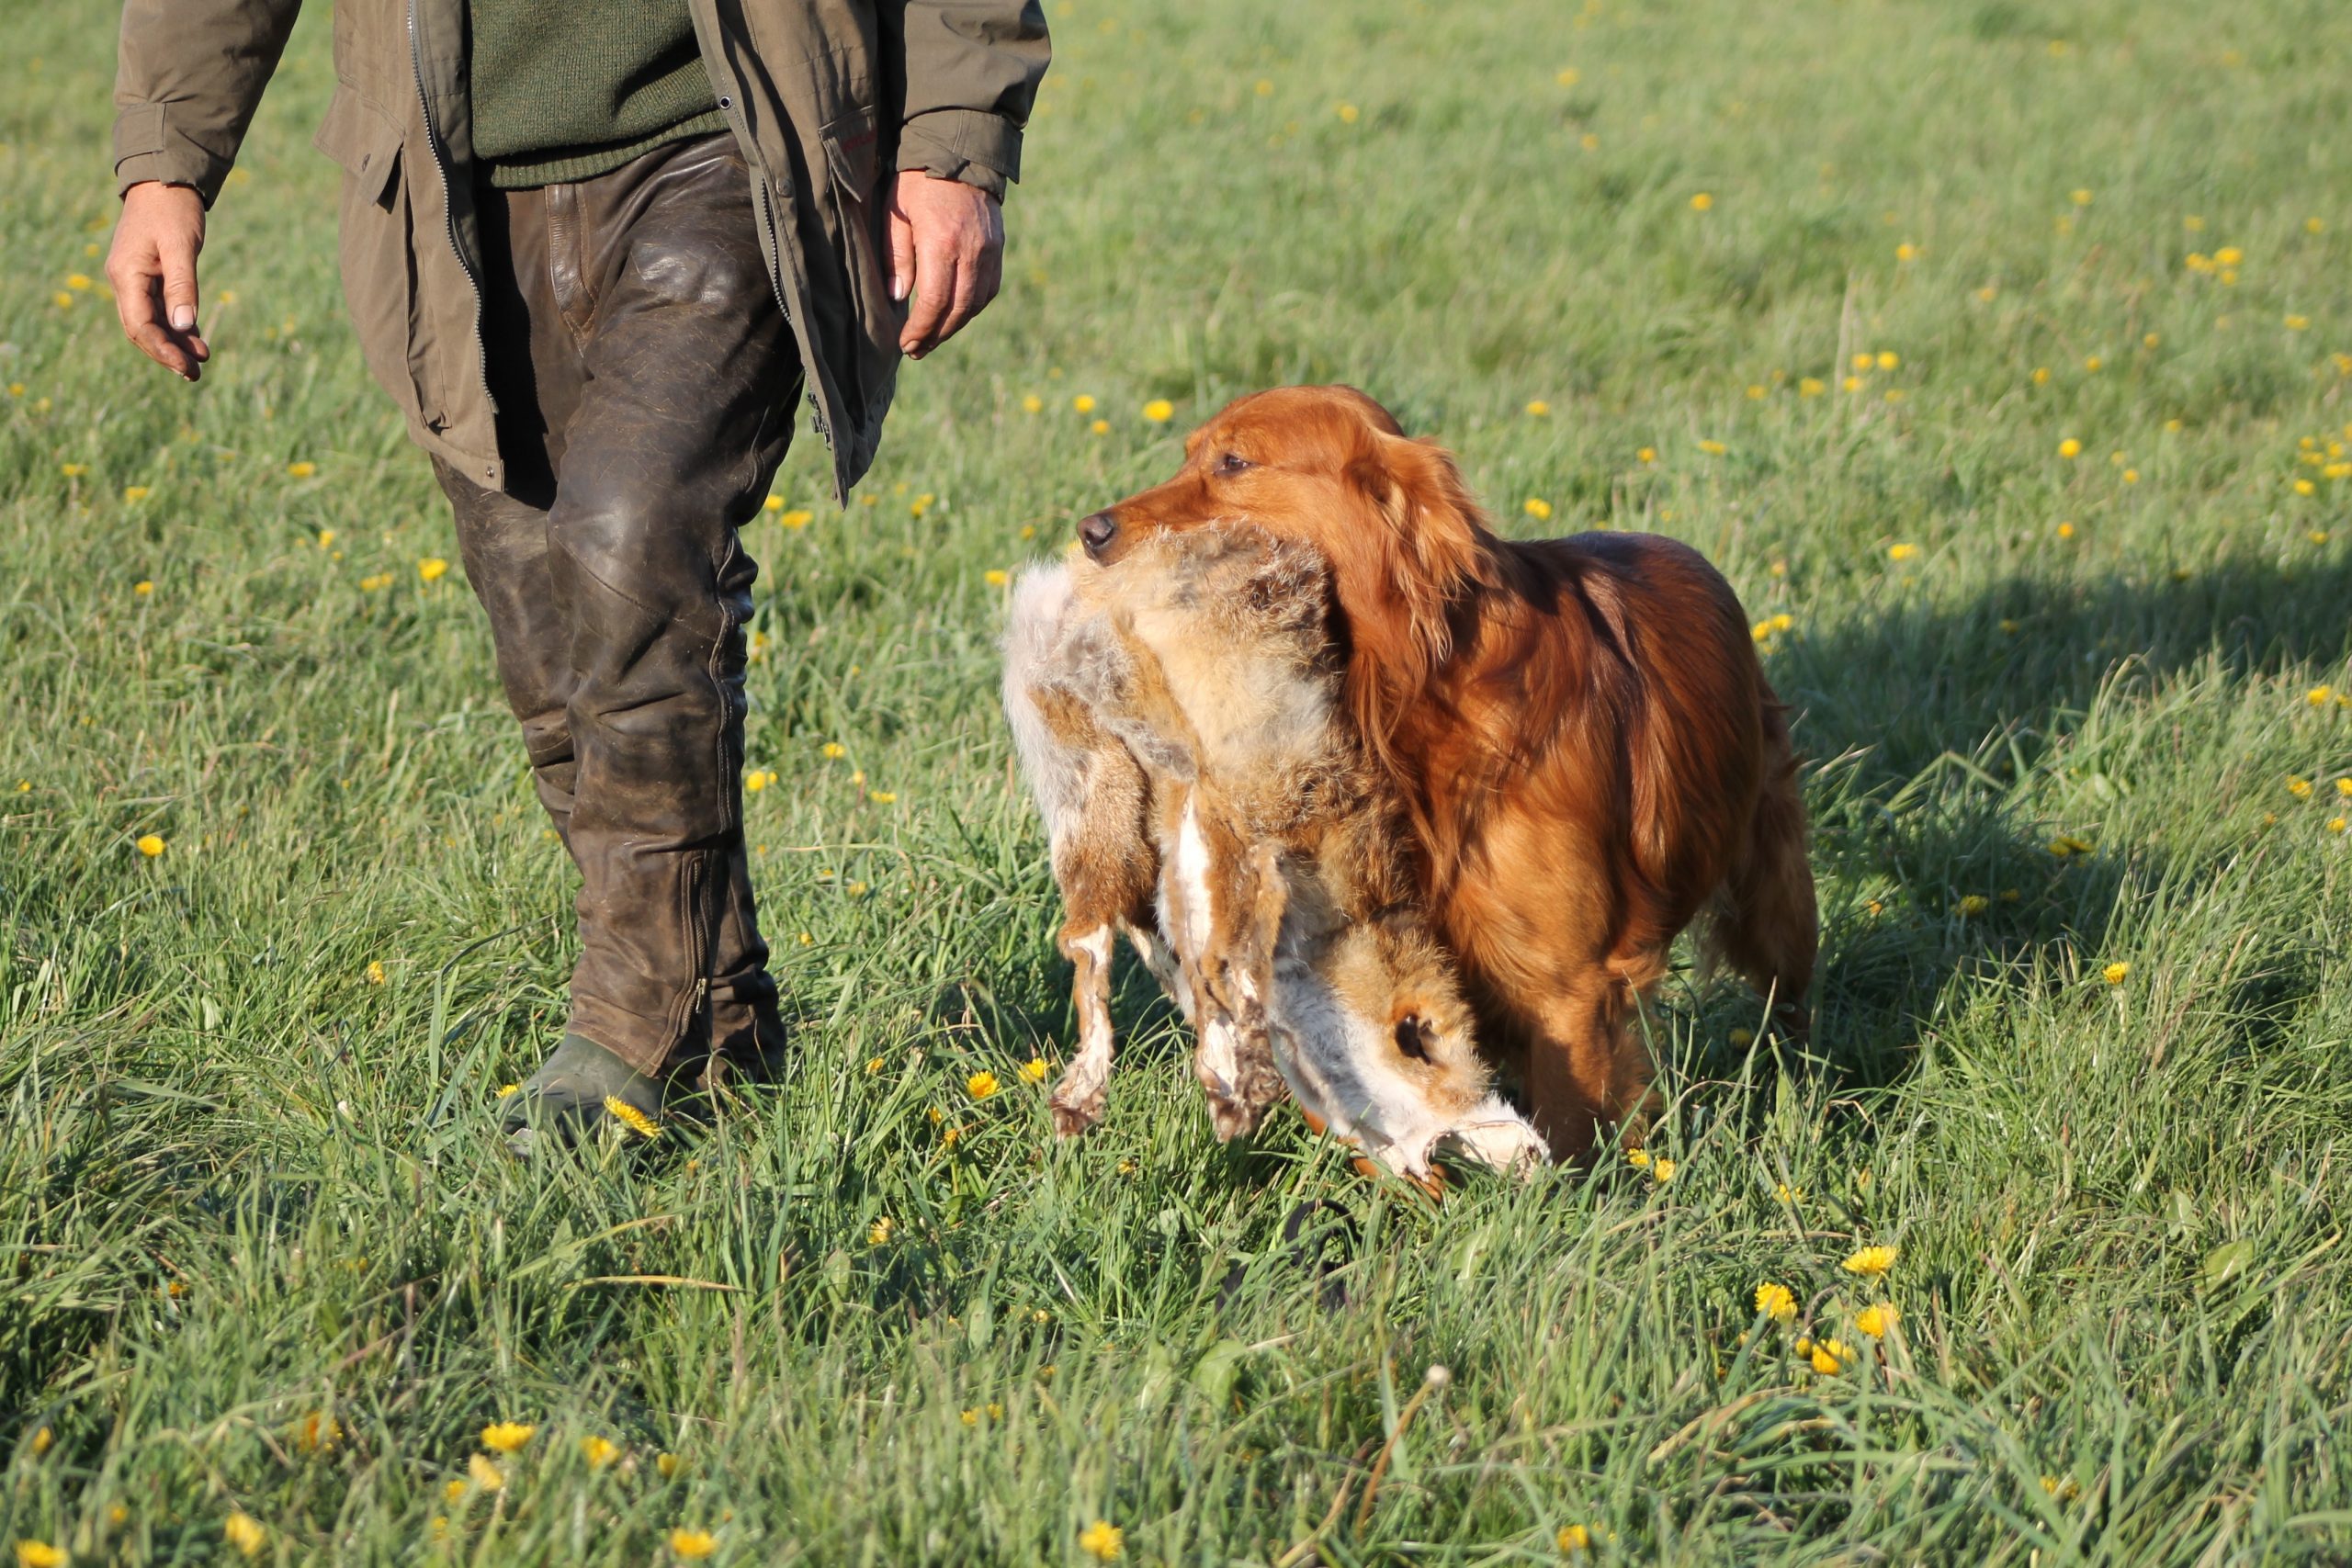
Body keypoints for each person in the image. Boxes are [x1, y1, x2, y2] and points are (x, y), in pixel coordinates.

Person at [107, 0, 1049, 1151]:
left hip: (730, 134)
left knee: (628, 543)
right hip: (452, 184)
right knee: (551, 650)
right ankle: (718, 1024)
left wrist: (952, 136)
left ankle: (625, 1032)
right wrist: (167, 167)